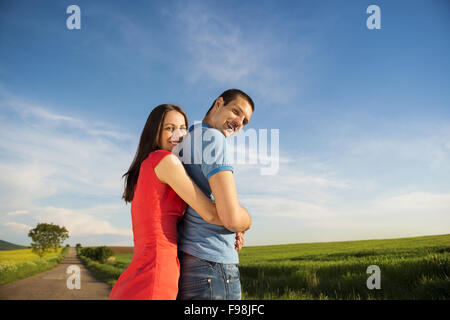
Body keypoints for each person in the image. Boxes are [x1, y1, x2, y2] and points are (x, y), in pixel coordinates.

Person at [109, 104, 229, 300]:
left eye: (183, 128)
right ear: (154, 133)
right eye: (169, 128)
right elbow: (212, 214)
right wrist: (242, 223)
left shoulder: (148, 165)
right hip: (156, 274)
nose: (180, 135)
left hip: (143, 271)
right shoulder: (166, 161)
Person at [173, 89, 254, 300]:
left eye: (244, 121)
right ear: (219, 103)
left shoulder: (185, 139)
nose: (239, 122)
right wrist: (246, 222)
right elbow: (231, 217)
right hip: (213, 265)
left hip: (186, 263)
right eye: (236, 112)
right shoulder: (214, 139)